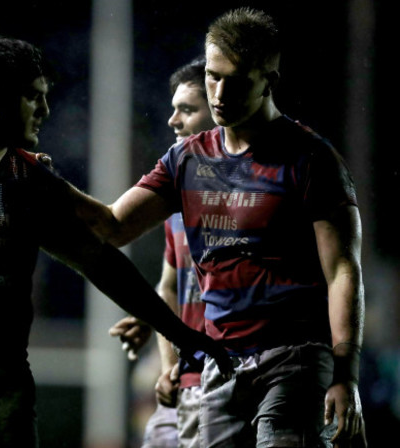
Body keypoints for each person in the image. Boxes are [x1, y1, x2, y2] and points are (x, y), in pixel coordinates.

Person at [0, 36, 232, 448]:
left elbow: (99, 259)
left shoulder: (28, 178)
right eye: (34, 98)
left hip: (6, 383)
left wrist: (185, 336)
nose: (45, 111)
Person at [76, 8, 366, 448]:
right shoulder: (187, 159)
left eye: (238, 80)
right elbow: (113, 226)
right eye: (213, 76)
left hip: (294, 360)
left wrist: (345, 374)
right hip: (221, 363)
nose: (220, 92)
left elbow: (343, 270)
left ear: (269, 81)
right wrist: (37, 179)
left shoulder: (311, 159)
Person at [108, 57, 216, 448]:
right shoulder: (177, 206)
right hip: (186, 378)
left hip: (235, 376)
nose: (172, 120)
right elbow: (169, 287)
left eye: (187, 109)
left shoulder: (256, 196)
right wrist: (166, 356)